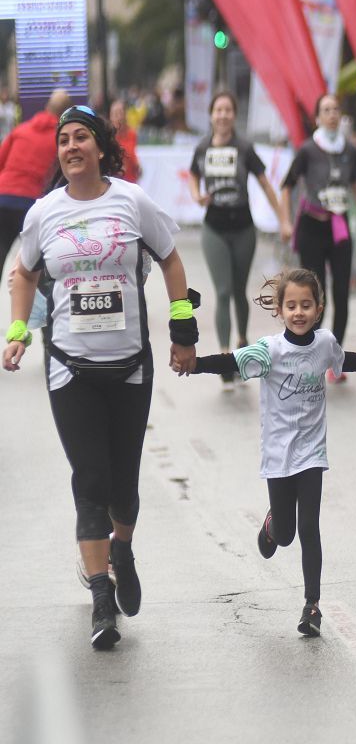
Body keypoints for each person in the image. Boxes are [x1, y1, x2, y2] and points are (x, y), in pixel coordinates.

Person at [3, 104, 200, 649]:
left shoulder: (132, 201)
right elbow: (24, 272)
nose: (71, 146)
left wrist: (183, 330)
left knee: (124, 486)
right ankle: (101, 600)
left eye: (81, 137)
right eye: (63, 139)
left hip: (130, 365)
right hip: (70, 366)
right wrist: (19, 328)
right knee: (89, 482)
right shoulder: (44, 213)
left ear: (100, 147)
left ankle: (123, 549)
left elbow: (172, 262)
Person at [181, 269, 356, 635]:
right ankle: (273, 523)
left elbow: (344, 360)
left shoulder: (324, 344)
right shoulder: (269, 350)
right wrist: (195, 366)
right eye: (292, 305)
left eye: (306, 305)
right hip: (277, 454)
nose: (299, 312)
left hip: (312, 453)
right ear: (280, 309)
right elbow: (231, 360)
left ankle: (312, 606)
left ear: (318, 308)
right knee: (287, 533)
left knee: (309, 528)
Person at [189, 91, 286, 385]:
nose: (223, 115)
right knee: (222, 291)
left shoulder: (244, 147)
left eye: (228, 109)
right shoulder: (203, 147)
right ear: (211, 115)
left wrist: (283, 219)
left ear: (233, 114)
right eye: (218, 110)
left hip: (243, 228)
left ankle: (242, 341)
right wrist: (197, 196)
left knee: (239, 290)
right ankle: (223, 356)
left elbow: (266, 184)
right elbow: (193, 175)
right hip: (214, 228)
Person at [280, 93, 356, 383]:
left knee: (342, 293)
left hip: (340, 226)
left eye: (336, 109)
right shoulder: (308, 149)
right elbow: (287, 185)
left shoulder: (349, 149)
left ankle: (336, 360)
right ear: (318, 118)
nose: (332, 114)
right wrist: (285, 221)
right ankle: (311, 355)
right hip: (312, 226)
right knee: (314, 294)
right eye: (326, 110)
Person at [0, 88, 71, 276]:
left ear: (47, 106)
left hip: (3, 198)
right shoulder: (62, 139)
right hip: (32, 204)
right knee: (38, 265)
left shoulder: (20, 129)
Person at [109, 98, 141, 183]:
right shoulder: (108, 136)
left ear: (124, 115)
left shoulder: (132, 134)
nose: (117, 117)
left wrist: (138, 165)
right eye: (114, 114)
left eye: (119, 113)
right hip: (115, 182)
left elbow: (132, 154)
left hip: (131, 180)